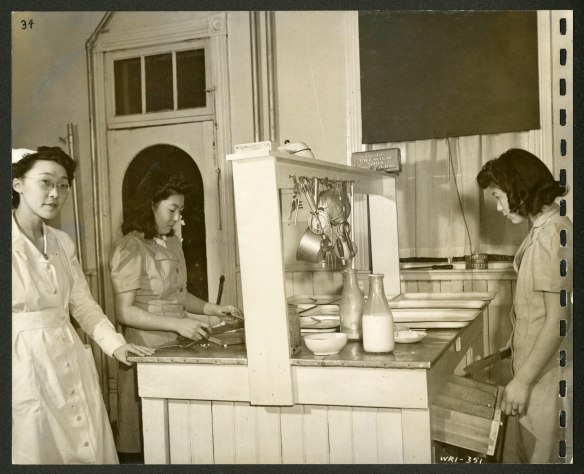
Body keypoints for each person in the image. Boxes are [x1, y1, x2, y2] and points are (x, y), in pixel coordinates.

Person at [11, 146, 155, 464]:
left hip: (68, 354)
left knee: (83, 444)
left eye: (63, 185)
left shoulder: (62, 242)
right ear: (17, 183)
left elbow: (84, 306)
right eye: (45, 182)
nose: (55, 193)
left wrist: (117, 346)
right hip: (20, 362)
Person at [109, 167, 243, 458]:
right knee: (152, 441)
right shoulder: (130, 247)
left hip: (172, 343)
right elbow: (125, 312)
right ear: (150, 204)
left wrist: (212, 309)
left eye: (180, 211)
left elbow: (179, 294)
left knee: (177, 436)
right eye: (172, 210)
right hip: (144, 349)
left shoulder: (170, 241)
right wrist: (178, 324)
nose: (177, 218)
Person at [477, 148, 572, 463]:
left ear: (518, 190)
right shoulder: (544, 229)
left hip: (545, 377)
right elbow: (538, 310)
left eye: (498, 197)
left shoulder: (551, 235)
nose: (499, 208)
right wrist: (512, 348)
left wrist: (522, 380)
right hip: (537, 370)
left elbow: (559, 320)